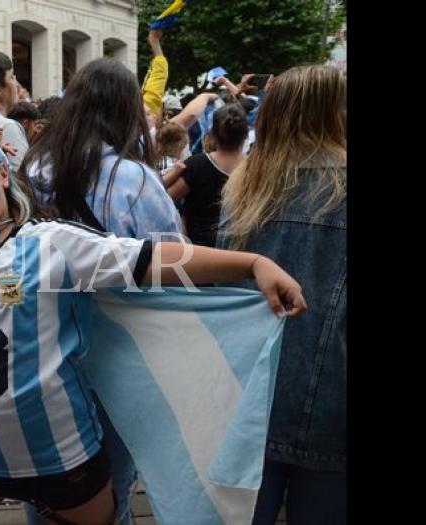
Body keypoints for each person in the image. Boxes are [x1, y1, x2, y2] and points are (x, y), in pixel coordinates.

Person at [0, 72, 306, 525]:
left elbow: (153, 260)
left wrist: (250, 264)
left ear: (1, 172)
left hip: (62, 458)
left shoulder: (55, 243)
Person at [20, 57, 184, 525]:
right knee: (111, 488)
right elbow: (172, 265)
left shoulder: (31, 171)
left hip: (44, 353)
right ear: (126, 111)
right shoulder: (133, 180)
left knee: (48, 483)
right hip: (118, 357)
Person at [218, 65, 347, 525]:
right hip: (333, 406)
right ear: (336, 114)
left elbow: (221, 292)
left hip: (246, 398)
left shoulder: (244, 190)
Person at [167, 103, 249, 247]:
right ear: (246, 135)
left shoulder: (197, 165)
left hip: (199, 252)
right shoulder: (255, 168)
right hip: (241, 250)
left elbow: (167, 198)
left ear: (213, 134)